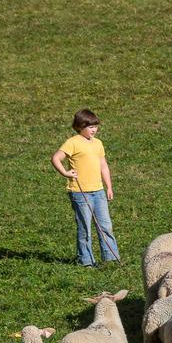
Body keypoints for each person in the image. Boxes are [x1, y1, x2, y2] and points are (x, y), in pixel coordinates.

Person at [50, 109, 120, 266]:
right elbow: (56, 158)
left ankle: (111, 259)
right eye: (90, 127)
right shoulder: (73, 142)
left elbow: (103, 166)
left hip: (98, 191)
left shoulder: (98, 143)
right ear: (79, 127)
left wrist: (109, 187)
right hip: (80, 193)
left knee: (105, 226)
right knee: (85, 229)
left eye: (95, 126)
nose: (94, 130)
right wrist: (65, 173)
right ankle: (86, 261)